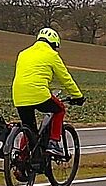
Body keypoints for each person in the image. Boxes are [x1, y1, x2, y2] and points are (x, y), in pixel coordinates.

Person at [12, 27, 85, 158]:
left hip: (18, 95)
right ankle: (53, 143)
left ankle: (21, 165)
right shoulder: (52, 55)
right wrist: (78, 95)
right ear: (53, 43)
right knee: (59, 109)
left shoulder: (23, 53)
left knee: (29, 130)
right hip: (38, 93)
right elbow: (65, 78)